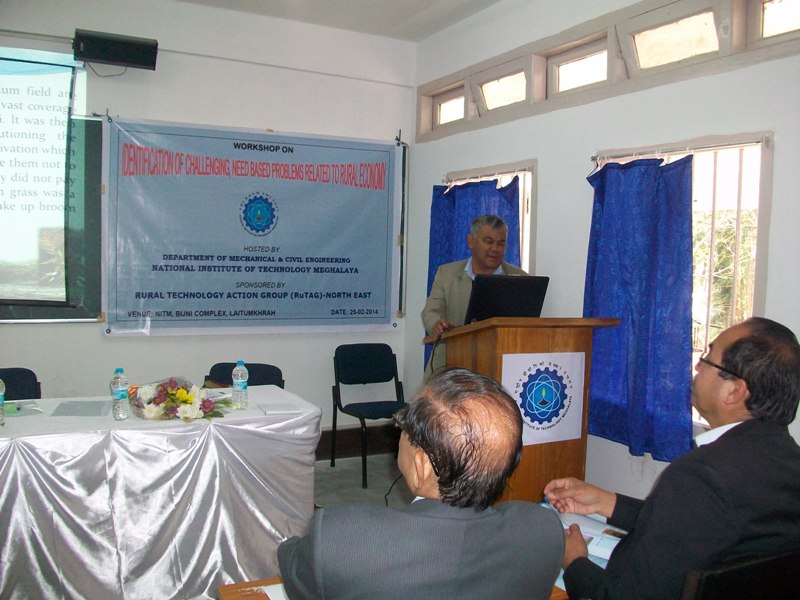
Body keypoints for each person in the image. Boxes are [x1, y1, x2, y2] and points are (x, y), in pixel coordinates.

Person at [543, 317, 800, 600]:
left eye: (707, 359)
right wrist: (606, 502)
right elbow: (697, 526)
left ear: (735, 391)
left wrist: (575, 562)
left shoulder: (701, 475)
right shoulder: (786, 462)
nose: (697, 368)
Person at [278, 367, 564, 600]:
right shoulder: (545, 532)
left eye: (405, 428)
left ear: (422, 465)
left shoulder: (340, 538)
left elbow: (292, 567)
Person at [421, 214, 526, 376]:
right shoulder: (446, 273)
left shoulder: (520, 278)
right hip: (451, 363)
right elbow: (431, 311)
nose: (495, 249)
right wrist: (437, 325)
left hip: (500, 367)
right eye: (488, 241)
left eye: (501, 243)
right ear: (471, 241)